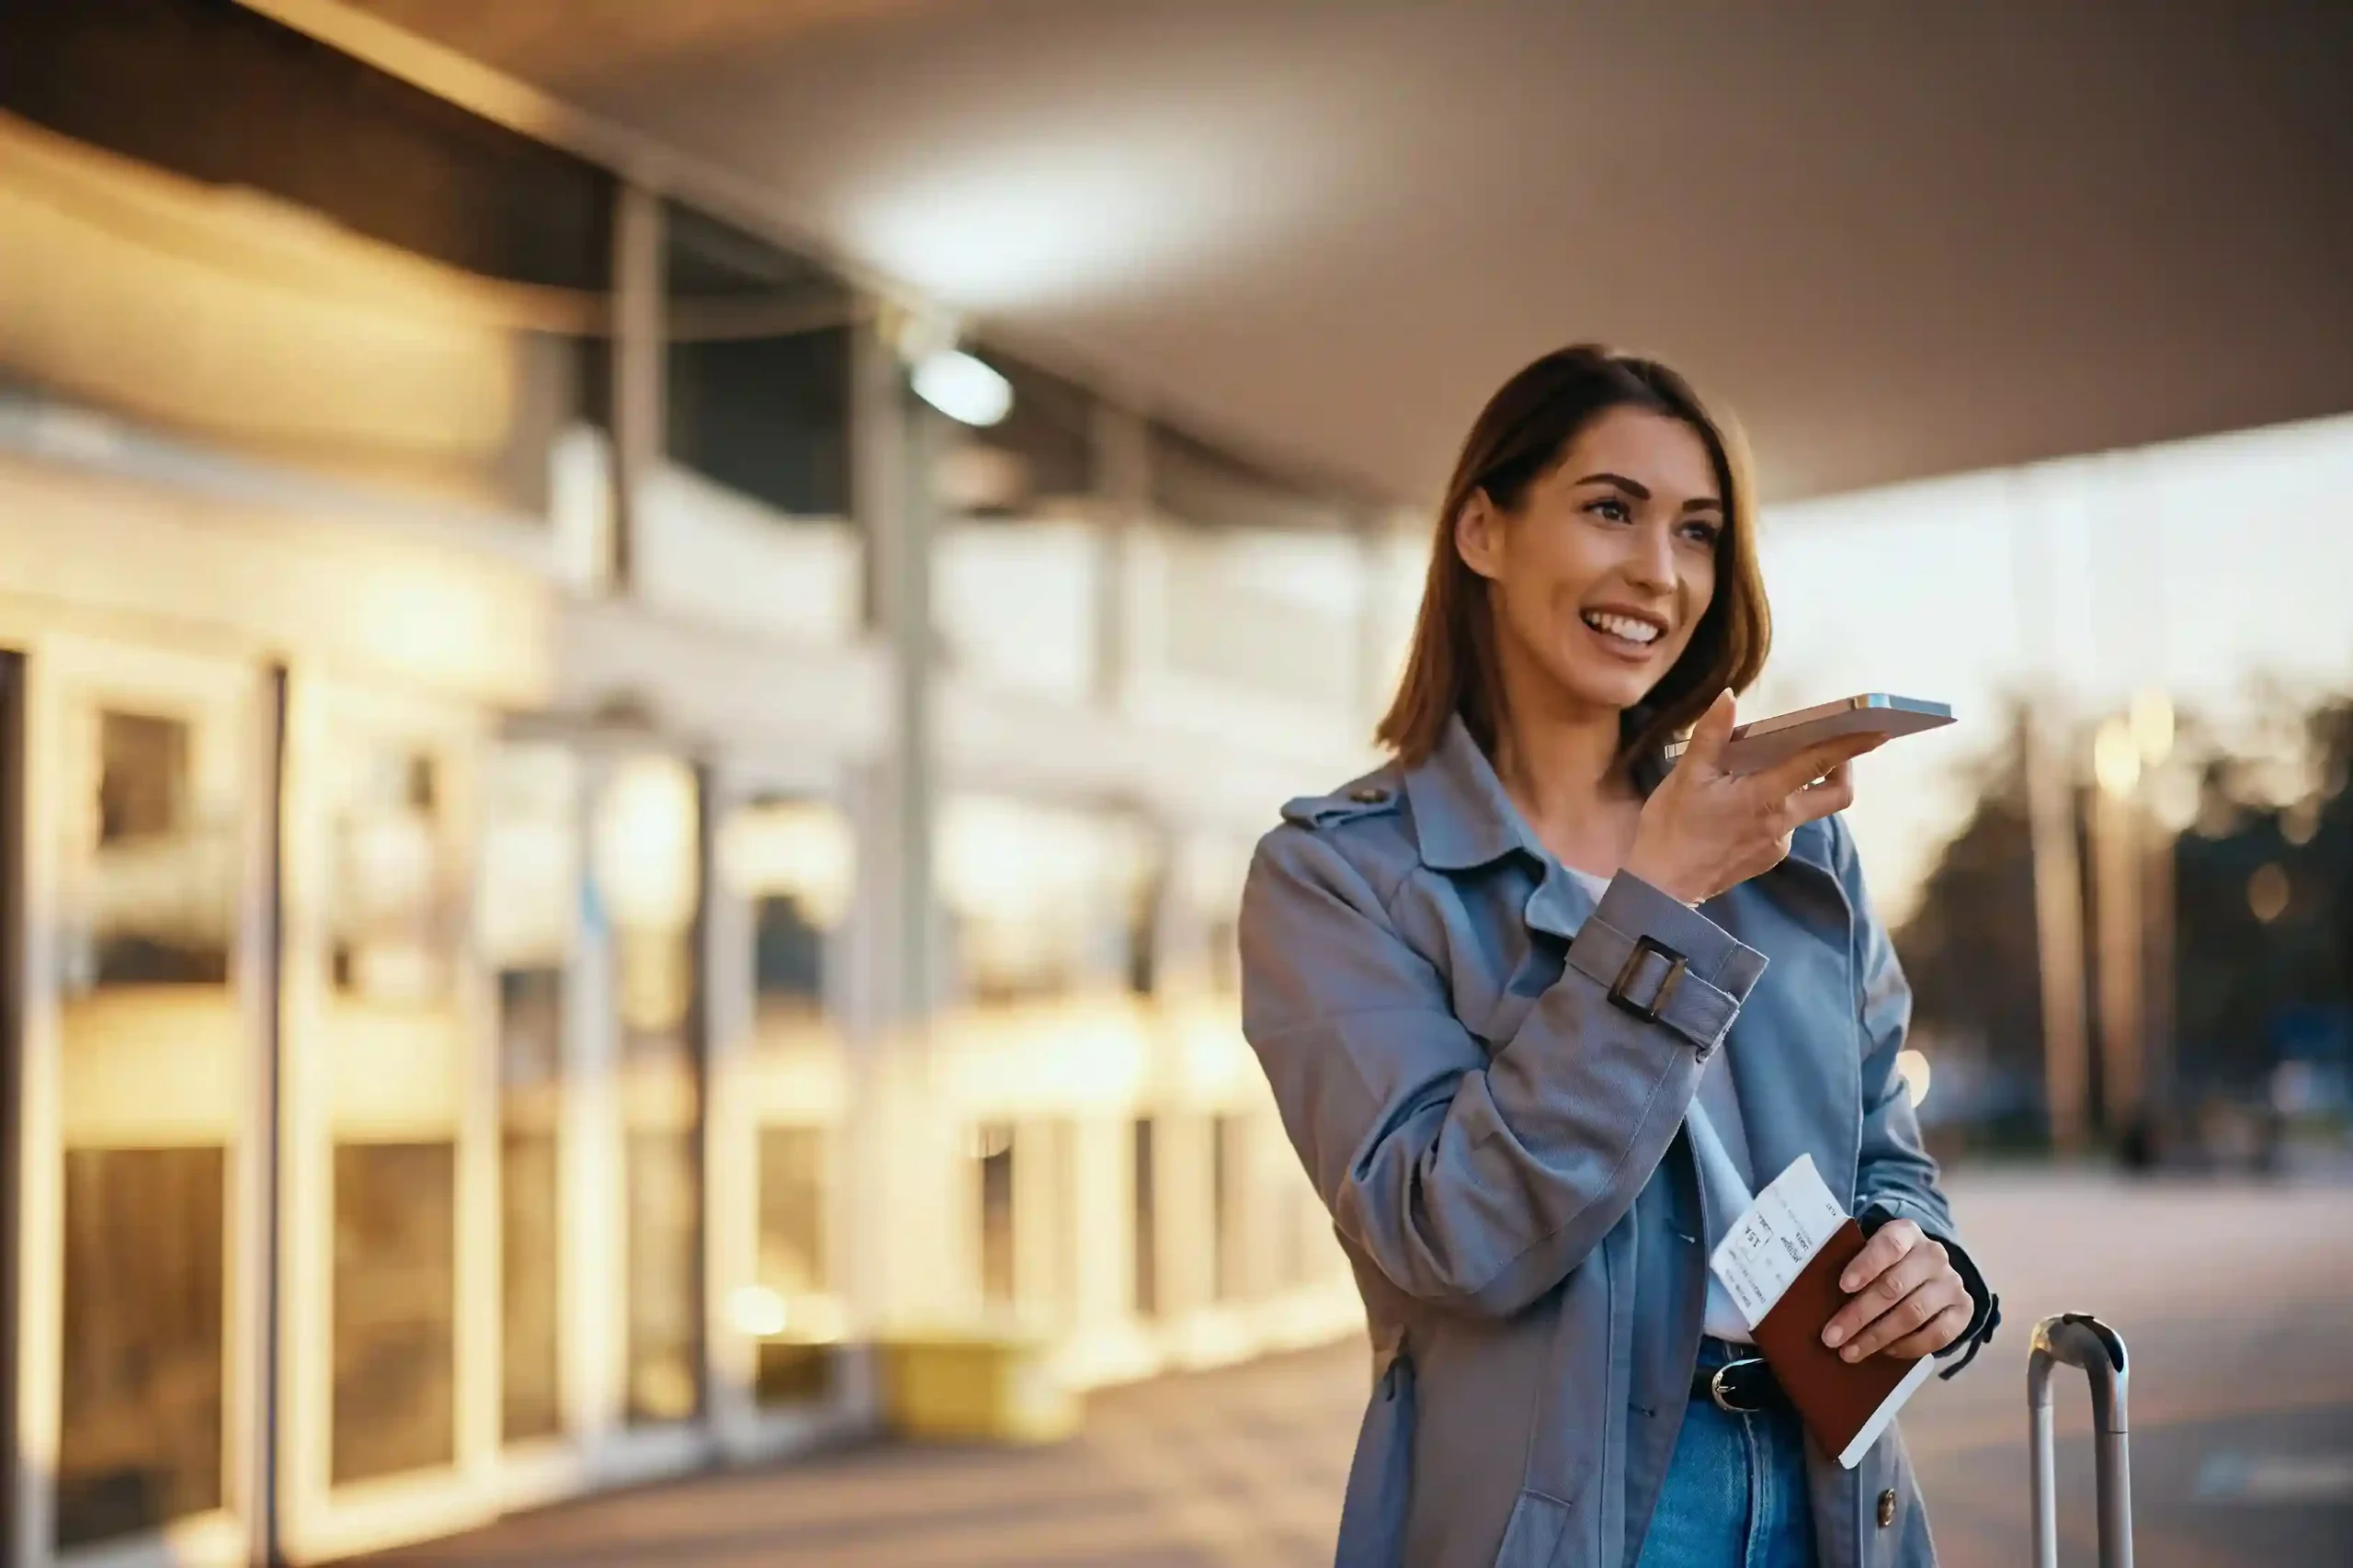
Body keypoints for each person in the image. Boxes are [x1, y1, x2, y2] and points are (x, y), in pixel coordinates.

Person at [1238, 346, 1998, 1568]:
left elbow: (1882, 1142)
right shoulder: (1342, 876)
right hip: (1583, 1514)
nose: (1658, 570)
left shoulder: (1791, 841)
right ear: (1482, 528)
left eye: (1698, 532)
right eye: (1610, 509)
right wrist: (1658, 897)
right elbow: (1450, 1231)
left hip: (1832, 1481)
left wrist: (1929, 1263)